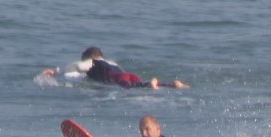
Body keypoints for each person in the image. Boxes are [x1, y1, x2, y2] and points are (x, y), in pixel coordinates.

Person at [41, 46, 189, 89]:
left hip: (117, 78)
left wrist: (56, 71)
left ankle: (153, 84)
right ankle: (171, 84)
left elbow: (79, 66)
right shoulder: (111, 62)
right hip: (127, 74)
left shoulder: (93, 62)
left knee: (131, 88)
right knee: (138, 83)